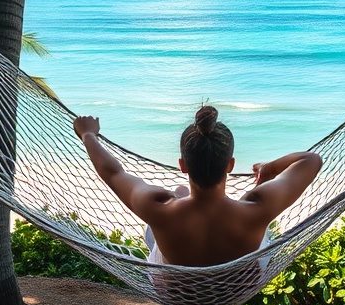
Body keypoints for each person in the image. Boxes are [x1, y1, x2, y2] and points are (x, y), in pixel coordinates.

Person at [73, 105, 323, 267]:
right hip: (238, 284)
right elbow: (311, 160)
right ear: (231, 165)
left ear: (183, 165)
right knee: (249, 207)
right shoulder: (257, 207)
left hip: (177, 289)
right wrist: (270, 168)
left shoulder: (157, 207)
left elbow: (113, 172)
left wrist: (88, 135)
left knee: (177, 197)